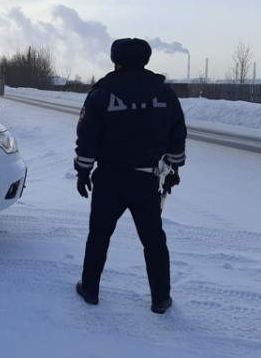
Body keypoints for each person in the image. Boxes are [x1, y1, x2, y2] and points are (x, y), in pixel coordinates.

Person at [74, 38, 186, 314]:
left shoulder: (100, 94)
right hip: (146, 180)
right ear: (146, 60)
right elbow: (177, 136)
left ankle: (90, 290)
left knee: (99, 235)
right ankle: (160, 298)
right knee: (153, 240)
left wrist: (83, 171)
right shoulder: (165, 94)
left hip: (109, 179)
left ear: (116, 61)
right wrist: (173, 170)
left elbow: (87, 137)